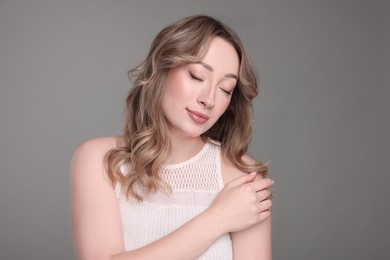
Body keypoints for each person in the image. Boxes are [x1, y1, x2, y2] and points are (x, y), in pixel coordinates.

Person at [71, 15, 273, 260]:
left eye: (225, 89)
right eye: (197, 76)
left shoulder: (242, 178)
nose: (208, 99)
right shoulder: (100, 160)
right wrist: (217, 220)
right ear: (163, 69)